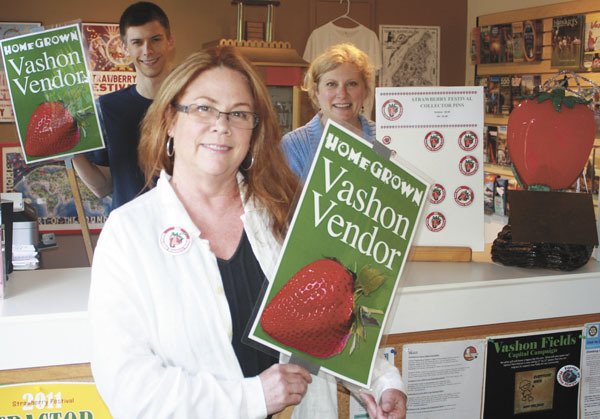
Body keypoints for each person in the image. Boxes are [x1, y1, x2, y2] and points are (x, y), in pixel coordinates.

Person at [89, 46, 406, 419]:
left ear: (254, 131)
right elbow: (128, 388)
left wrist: (383, 383)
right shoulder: (128, 234)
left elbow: (334, 315)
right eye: (204, 108)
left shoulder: (286, 210)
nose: (221, 125)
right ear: (170, 120)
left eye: (239, 113)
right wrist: (252, 398)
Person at [73, 1, 175, 210]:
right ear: (125, 47)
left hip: (184, 232)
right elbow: (103, 187)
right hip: (128, 234)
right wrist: (72, 152)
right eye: (137, 42)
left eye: (155, 39)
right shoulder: (107, 107)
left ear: (170, 41)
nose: (147, 50)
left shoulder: (192, 104)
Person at [282, 43, 375, 182]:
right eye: (331, 84)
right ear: (316, 91)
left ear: (365, 90)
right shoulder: (294, 145)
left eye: (352, 84)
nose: (342, 94)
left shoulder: (387, 138)